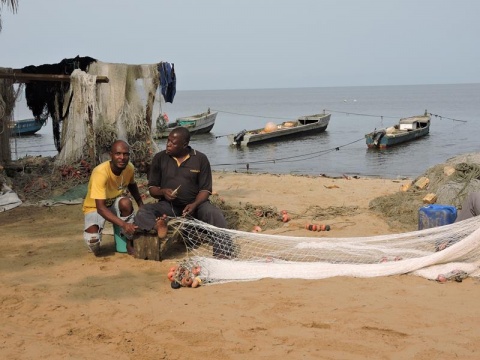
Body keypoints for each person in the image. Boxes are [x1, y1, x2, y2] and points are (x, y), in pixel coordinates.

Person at [134, 127, 233, 258]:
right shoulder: (160, 158)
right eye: (168, 140)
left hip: (197, 206)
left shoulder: (200, 159)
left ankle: (223, 254)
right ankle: (158, 226)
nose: (168, 144)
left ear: (184, 145)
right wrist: (163, 192)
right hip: (169, 207)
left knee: (215, 215)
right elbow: (152, 189)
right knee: (143, 211)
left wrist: (195, 204)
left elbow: (205, 190)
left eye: (173, 143)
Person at [82, 140, 144, 255]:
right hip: (95, 207)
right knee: (93, 241)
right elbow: (100, 208)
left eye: (126, 154)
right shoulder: (100, 172)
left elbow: (132, 184)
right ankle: (96, 242)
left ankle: (129, 242)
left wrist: (141, 204)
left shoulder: (129, 168)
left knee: (126, 203)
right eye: (118, 154)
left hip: (114, 203)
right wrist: (123, 224)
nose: (122, 157)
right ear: (111, 155)